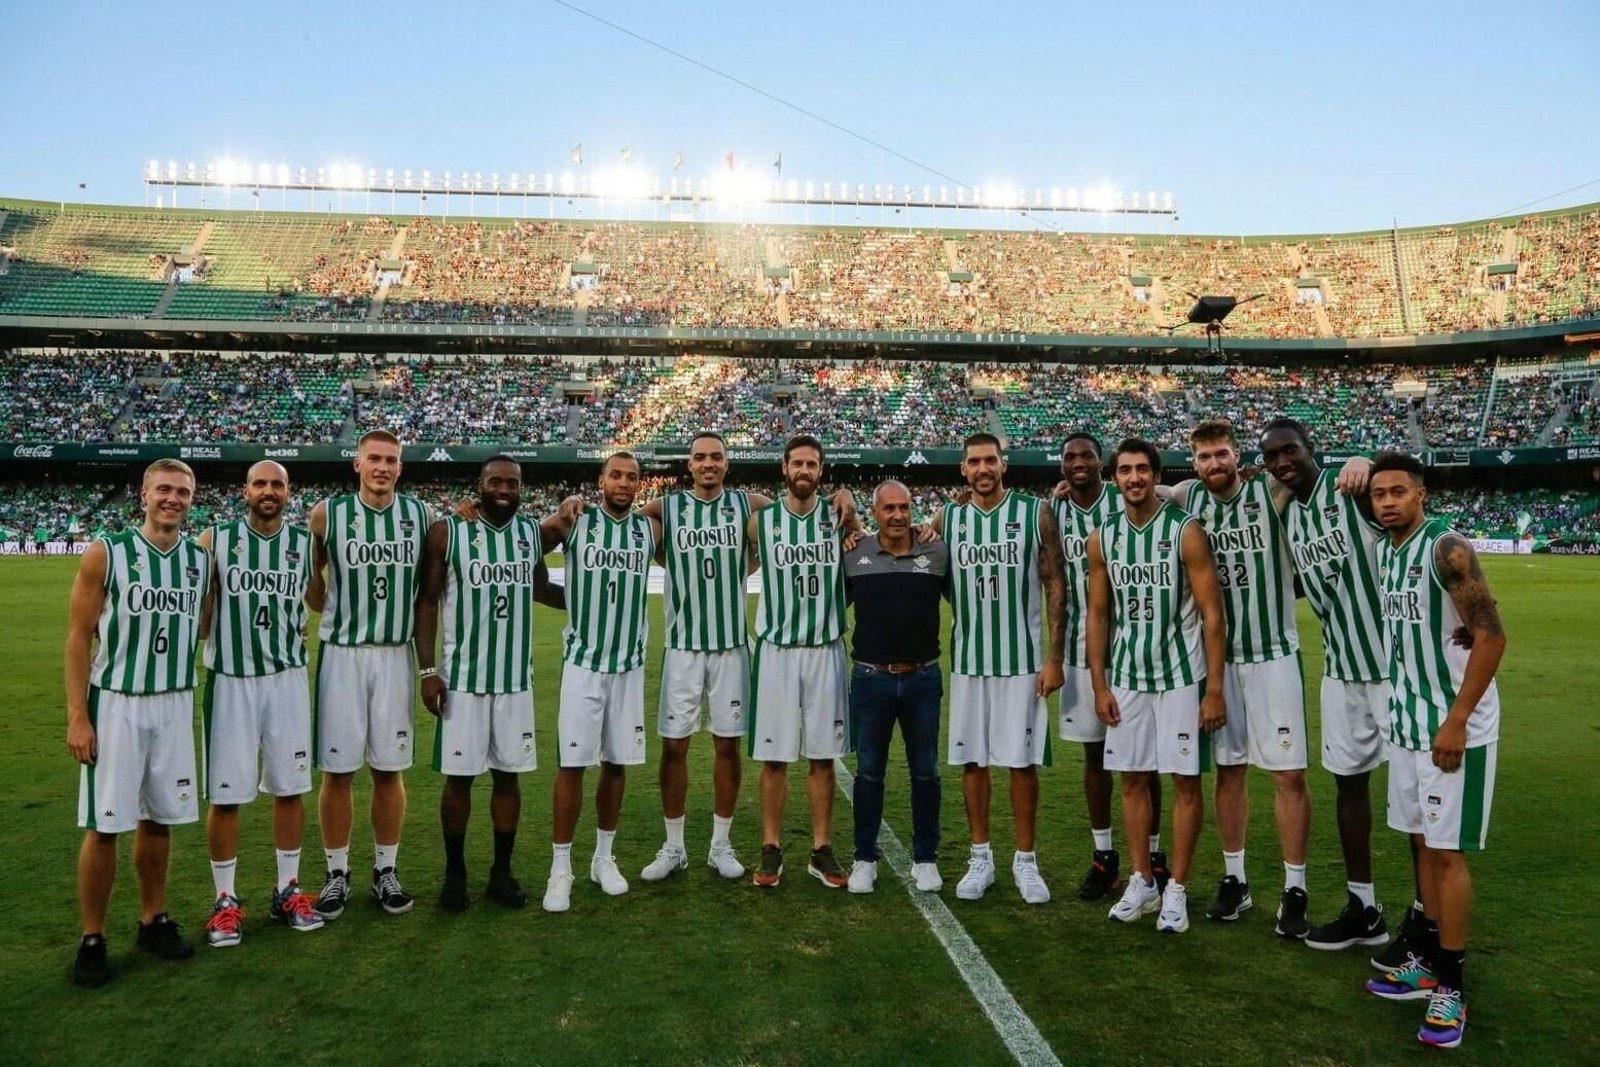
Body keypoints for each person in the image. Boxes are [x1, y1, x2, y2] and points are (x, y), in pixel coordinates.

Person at [1363, 452, 1504, 1051]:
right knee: (1419, 840)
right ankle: (1426, 959)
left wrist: (1458, 719)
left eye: (1399, 491)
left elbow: (1492, 636)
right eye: (1378, 494)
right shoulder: (1386, 552)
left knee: (1447, 853)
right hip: (1407, 722)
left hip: (1452, 728)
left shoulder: (1446, 548)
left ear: (1421, 494)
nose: (1388, 501)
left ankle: (1452, 984)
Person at [66, 459, 212, 987]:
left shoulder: (199, 560)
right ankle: (92, 937)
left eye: (183, 492)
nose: (173, 499)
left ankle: (153, 919)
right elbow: (80, 638)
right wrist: (79, 715)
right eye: (164, 490)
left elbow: (204, 625)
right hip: (119, 703)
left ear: (193, 500)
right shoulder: (108, 552)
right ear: (144, 494)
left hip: (174, 702)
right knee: (105, 826)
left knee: (159, 819)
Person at [1257, 420, 1398, 952]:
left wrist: (1368, 457)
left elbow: (1400, 479)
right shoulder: (1289, 512)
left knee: (1411, 792)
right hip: (1340, 670)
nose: (1283, 460)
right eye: (1273, 455)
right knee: (1348, 783)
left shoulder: (1352, 487)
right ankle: (1364, 908)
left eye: (1290, 450)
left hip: (1393, 667)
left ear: (1310, 449)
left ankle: (1428, 919)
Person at [1170, 419, 1312, 937]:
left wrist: (1359, 465)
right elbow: (1137, 485)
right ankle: (1236, 879)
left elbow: (1314, 475)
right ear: (1193, 462)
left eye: (1222, 455)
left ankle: (1295, 887)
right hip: (1220, 663)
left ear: (1237, 455)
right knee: (1229, 770)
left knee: (1288, 774)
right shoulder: (1187, 498)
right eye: (1204, 457)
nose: (1214, 464)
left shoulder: (1269, 488)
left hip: (1274, 653)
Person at [414, 456, 570, 913]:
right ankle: (455, 874)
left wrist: (595, 599)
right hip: (462, 680)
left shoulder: (529, 536)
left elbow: (541, 589)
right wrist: (427, 672)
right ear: (479, 485)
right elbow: (426, 603)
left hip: (514, 681)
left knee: (508, 778)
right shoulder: (450, 531)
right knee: (458, 781)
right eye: (495, 481)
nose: (504, 488)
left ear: (522, 488)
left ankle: (501, 873)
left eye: (512, 483)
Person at [1087, 439, 1227, 933]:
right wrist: (1099, 684)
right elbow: (1099, 614)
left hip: (1181, 678)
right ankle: (1142, 880)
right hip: (1127, 677)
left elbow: (1213, 614)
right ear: (1115, 477)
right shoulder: (1103, 537)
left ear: (1155, 475)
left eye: (1142, 469)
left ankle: (1177, 890)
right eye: (1124, 470)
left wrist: (1214, 687)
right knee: (1131, 779)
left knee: (1185, 782)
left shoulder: (1186, 531)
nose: (1134, 478)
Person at [927, 432, 1067, 905]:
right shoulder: (948, 518)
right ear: (963, 470)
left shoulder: (1034, 514)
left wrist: (1054, 657)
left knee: (1022, 763)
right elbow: (924, 562)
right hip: (968, 662)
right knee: (974, 760)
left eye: (991, 460)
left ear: (1003, 465)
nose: (983, 468)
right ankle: (980, 858)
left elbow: (1054, 585)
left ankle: (1025, 861)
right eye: (974, 462)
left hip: (1023, 664)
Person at [199, 462, 323, 948]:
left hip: (287, 680)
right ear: (244, 491)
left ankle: (287, 889)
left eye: (277, 484)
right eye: (260, 484)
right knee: (226, 796)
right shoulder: (215, 541)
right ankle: (225, 901)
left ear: (288, 492)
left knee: (290, 788)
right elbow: (202, 613)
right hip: (231, 681)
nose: (268, 492)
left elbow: (316, 601)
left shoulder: (301, 546)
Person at [309, 430, 433, 919]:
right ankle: (336, 874)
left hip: (395, 655)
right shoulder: (327, 515)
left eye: (391, 460)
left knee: (389, 767)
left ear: (400, 468)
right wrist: (331, 614)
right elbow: (310, 581)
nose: (383, 467)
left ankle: (386, 870)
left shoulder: (421, 517)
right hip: (342, 654)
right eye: (374, 459)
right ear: (356, 465)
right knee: (337, 771)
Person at [543, 452, 659, 912]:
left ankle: (603, 859)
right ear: (601, 480)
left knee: (616, 763)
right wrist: (563, 598)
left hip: (629, 666)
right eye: (617, 475)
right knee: (572, 766)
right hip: (583, 664)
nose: (624, 483)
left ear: (639, 485)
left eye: (632, 477)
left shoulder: (648, 531)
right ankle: (560, 868)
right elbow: (521, 546)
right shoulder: (575, 521)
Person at [1052, 432, 1166, 901]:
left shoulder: (1130, 500)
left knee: (1146, 760)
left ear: (1103, 464)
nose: (1078, 463)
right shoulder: (1051, 509)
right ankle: (1105, 857)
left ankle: (1154, 858)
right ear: (1061, 467)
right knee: (1094, 756)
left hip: (1137, 649)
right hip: (1082, 652)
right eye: (1070, 457)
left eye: (1087, 456)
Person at [747, 434, 851, 889]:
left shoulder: (840, 516)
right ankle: (771, 848)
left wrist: (850, 502)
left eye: (812, 464)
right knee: (773, 758)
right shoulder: (760, 523)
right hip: (777, 652)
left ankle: (821, 849)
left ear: (821, 471)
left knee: (823, 756)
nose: (804, 471)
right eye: (797, 464)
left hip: (825, 648)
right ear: (784, 470)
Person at [841, 480, 949, 894]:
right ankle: (864, 858)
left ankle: (926, 858)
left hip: (923, 677)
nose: (899, 515)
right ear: (876, 512)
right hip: (871, 678)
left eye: (905, 507)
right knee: (869, 773)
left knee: (926, 772)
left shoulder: (936, 551)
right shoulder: (856, 553)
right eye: (889, 509)